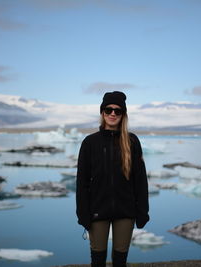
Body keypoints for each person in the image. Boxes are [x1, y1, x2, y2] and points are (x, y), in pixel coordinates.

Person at [76, 91, 149, 267]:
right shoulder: (90, 142)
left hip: (125, 211)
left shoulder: (132, 141)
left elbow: (140, 180)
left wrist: (142, 211)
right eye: (108, 110)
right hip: (97, 210)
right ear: (102, 113)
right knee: (98, 260)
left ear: (123, 114)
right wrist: (83, 212)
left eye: (118, 111)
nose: (113, 114)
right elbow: (82, 182)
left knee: (120, 260)